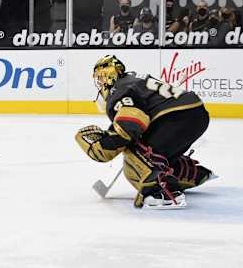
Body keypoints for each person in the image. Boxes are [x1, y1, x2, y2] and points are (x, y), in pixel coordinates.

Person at [75, 55, 216, 209]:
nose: (100, 84)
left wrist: (105, 144)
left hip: (175, 118)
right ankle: (192, 173)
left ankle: (160, 193)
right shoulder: (133, 78)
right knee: (154, 153)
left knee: (134, 152)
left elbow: (131, 124)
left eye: (100, 78)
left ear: (109, 75)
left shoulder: (119, 90)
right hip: (196, 114)